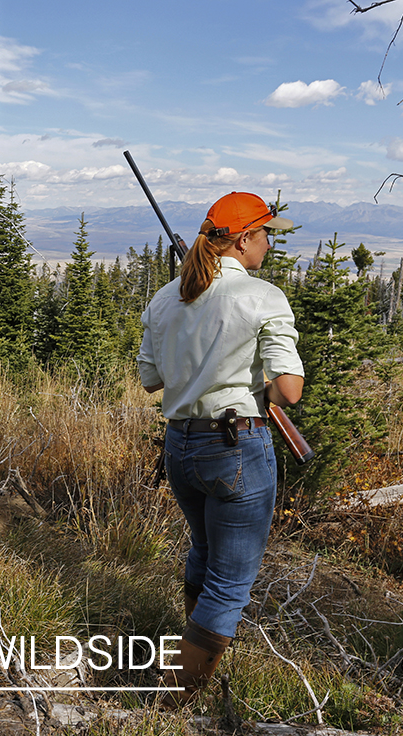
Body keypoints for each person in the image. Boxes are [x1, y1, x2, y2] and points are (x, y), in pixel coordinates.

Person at [137, 191, 305, 708]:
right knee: (230, 583)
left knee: (204, 553)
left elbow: (151, 379)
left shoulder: (166, 298)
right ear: (244, 238)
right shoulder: (264, 296)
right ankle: (175, 702)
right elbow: (289, 389)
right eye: (267, 233)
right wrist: (257, 390)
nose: (271, 243)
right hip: (237, 445)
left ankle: (191, 660)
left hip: (181, 446)